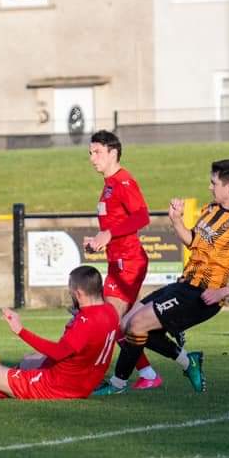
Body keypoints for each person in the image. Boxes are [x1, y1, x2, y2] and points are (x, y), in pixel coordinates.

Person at [93, 159, 229, 395]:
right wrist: (176, 220)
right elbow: (192, 240)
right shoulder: (211, 209)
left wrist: (221, 292)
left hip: (202, 296)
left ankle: (117, 384)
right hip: (183, 285)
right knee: (125, 324)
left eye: (214, 183)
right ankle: (187, 361)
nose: (210, 187)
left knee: (137, 325)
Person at [83, 130, 161, 389]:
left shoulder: (124, 181)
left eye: (97, 152)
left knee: (109, 321)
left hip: (129, 262)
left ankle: (121, 378)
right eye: (90, 153)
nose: (92, 158)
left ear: (113, 153)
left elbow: (142, 217)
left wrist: (108, 233)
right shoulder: (108, 185)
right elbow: (115, 225)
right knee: (127, 324)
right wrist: (98, 241)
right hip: (117, 262)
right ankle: (156, 369)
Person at [0, 265, 119, 400]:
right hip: (84, 380)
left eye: (71, 293)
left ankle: (7, 387)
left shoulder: (85, 321)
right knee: (28, 360)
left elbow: (58, 352)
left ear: (79, 294)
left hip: (59, 386)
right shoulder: (111, 310)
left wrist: (20, 330)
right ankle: (11, 378)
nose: (72, 297)